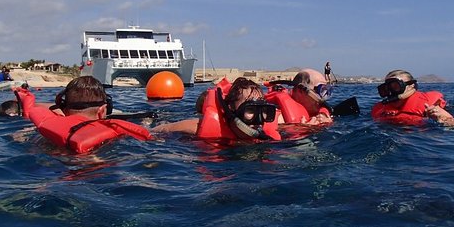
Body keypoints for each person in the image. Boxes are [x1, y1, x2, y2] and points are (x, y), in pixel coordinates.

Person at [14, 76, 151, 153]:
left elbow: (17, 138)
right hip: (95, 169)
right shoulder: (118, 135)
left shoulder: (39, 135)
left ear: (63, 108)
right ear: (102, 110)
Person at [152, 77, 281, 141]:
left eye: (263, 111)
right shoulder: (196, 127)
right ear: (231, 109)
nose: (257, 119)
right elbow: (159, 131)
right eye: (250, 111)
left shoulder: (266, 135)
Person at [371, 69, 454, 126]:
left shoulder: (429, 107)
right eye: (387, 88)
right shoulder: (380, 109)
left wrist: (444, 120)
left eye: (395, 86)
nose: (391, 91)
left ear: (411, 86)